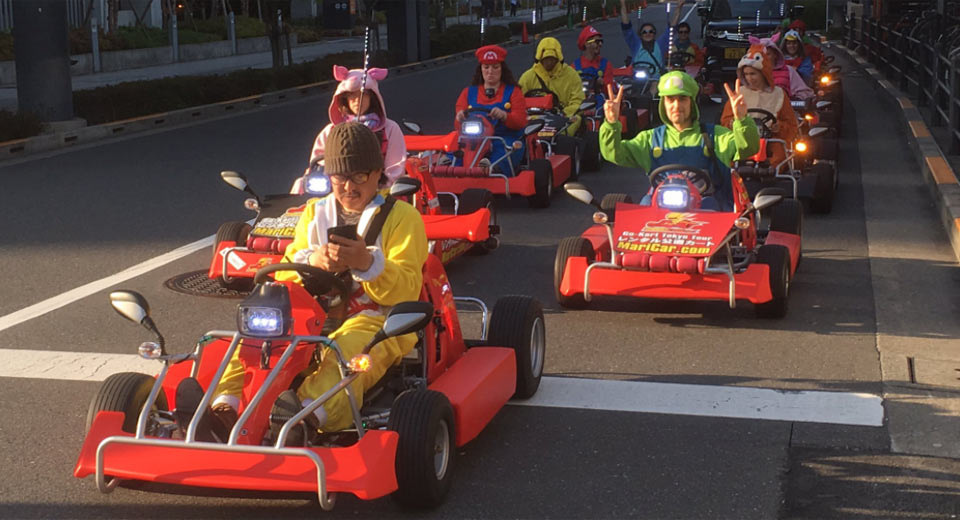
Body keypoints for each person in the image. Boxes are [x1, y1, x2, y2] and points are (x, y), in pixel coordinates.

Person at [184, 122, 429, 445]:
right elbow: (287, 273)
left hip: (376, 317)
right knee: (256, 341)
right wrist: (315, 262)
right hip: (313, 313)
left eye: (359, 177)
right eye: (340, 177)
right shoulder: (315, 212)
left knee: (345, 351)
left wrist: (366, 263)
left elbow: (407, 289)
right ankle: (225, 412)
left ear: (376, 174)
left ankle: (304, 417)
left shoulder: (403, 218)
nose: (349, 187)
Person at [600, 71, 760, 211]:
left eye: (682, 99)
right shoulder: (649, 138)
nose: (676, 106)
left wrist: (742, 120)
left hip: (706, 206)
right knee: (645, 204)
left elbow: (748, 148)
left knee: (709, 205)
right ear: (663, 104)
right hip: (660, 206)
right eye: (670, 99)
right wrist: (611, 124)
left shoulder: (715, 136)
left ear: (692, 103)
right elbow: (615, 154)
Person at [300, 66, 407, 191]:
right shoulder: (330, 131)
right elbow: (318, 163)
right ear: (344, 99)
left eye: (363, 95)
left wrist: (378, 189)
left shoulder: (390, 128)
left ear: (373, 98)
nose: (357, 100)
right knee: (300, 186)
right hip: (337, 192)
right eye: (352, 95)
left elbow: (395, 168)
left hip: (378, 193)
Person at [455, 45, 528, 175]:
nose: (490, 72)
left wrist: (504, 116)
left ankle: (491, 168)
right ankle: (449, 168)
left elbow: (521, 121)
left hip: (503, 137)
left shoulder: (513, 92)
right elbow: (457, 125)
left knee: (504, 148)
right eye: (486, 67)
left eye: (495, 67)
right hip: (472, 139)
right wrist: (460, 117)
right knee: (455, 147)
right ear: (481, 69)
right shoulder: (468, 93)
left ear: (502, 69)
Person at [720, 46, 799, 168]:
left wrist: (779, 126)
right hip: (742, 137)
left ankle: (771, 173)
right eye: (746, 74)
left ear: (763, 73)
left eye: (753, 74)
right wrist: (732, 123)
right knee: (727, 154)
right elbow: (724, 122)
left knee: (780, 154)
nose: (749, 78)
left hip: (770, 140)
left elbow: (792, 125)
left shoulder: (779, 94)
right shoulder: (739, 93)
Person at [518, 36, 586, 135]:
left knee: (576, 120)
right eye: (546, 59)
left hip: (562, 118)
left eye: (552, 59)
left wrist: (563, 114)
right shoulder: (527, 77)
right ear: (539, 59)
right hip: (533, 120)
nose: (549, 62)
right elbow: (517, 102)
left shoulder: (572, 75)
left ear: (558, 58)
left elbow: (578, 101)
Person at [573, 25, 614, 101]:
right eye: (597, 42)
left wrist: (602, 84)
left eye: (601, 42)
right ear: (586, 44)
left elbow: (610, 91)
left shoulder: (605, 64)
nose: (600, 45)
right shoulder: (574, 67)